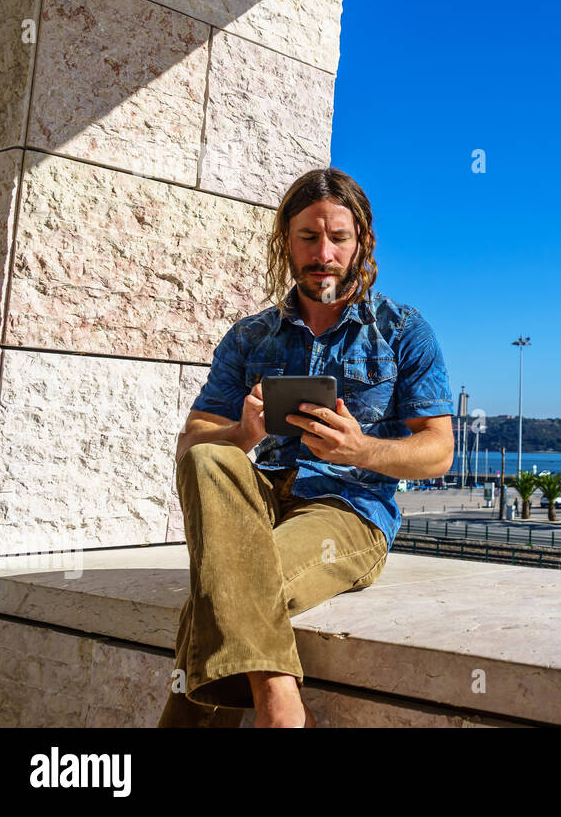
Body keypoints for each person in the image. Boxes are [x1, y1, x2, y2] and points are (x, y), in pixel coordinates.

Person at [160, 167, 454, 727]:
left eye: (338, 238)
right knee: (208, 455)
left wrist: (360, 449)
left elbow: (438, 451)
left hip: (346, 511)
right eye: (308, 237)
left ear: (361, 242)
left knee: (219, 593)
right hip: (260, 499)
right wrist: (242, 435)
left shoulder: (402, 330)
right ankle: (280, 697)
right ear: (286, 241)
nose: (324, 253)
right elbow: (193, 442)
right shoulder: (250, 336)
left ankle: (276, 706)